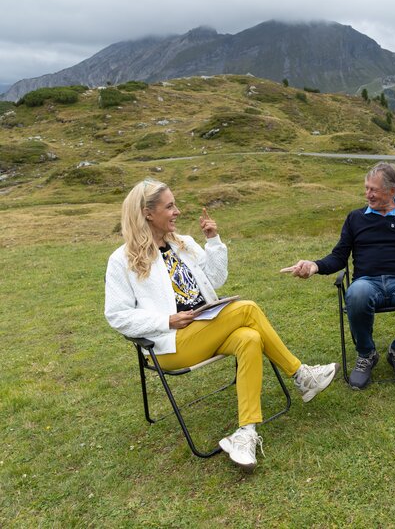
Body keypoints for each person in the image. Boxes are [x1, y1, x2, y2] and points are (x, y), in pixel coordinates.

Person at [104, 179, 339, 470]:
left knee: (249, 338)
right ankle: (301, 375)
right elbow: (117, 315)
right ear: (148, 213)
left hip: (206, 328)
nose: (177, 211)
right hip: (170, 344)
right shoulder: (122, 260)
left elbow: (215, 280)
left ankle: (246, 433)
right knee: (247, 309)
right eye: (169, 206)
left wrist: (213, 241)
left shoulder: (183, 244)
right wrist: (167, 320)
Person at [282, 162, 395, 389]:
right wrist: (314, 266)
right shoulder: (355, 218)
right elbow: (338, 257)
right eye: (366, 188)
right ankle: (366, 354)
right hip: (367, 283)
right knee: (356, 292)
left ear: (392, 191)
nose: (367, 194)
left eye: (373, 190)